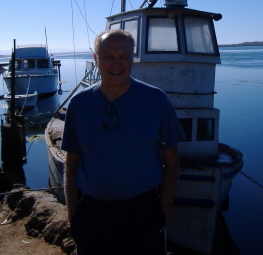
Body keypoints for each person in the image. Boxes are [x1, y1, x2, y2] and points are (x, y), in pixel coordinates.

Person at [61, 29, 183, 255]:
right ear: (96, 59)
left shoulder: (156, 101)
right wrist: (73, 216)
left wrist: (161, 215)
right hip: (92, 214)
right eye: (108, 57)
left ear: (132, 58)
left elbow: (172, 163)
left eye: (124, 56)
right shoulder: (79, 105)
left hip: (144, 213)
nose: (116, 64)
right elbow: (71, 164)